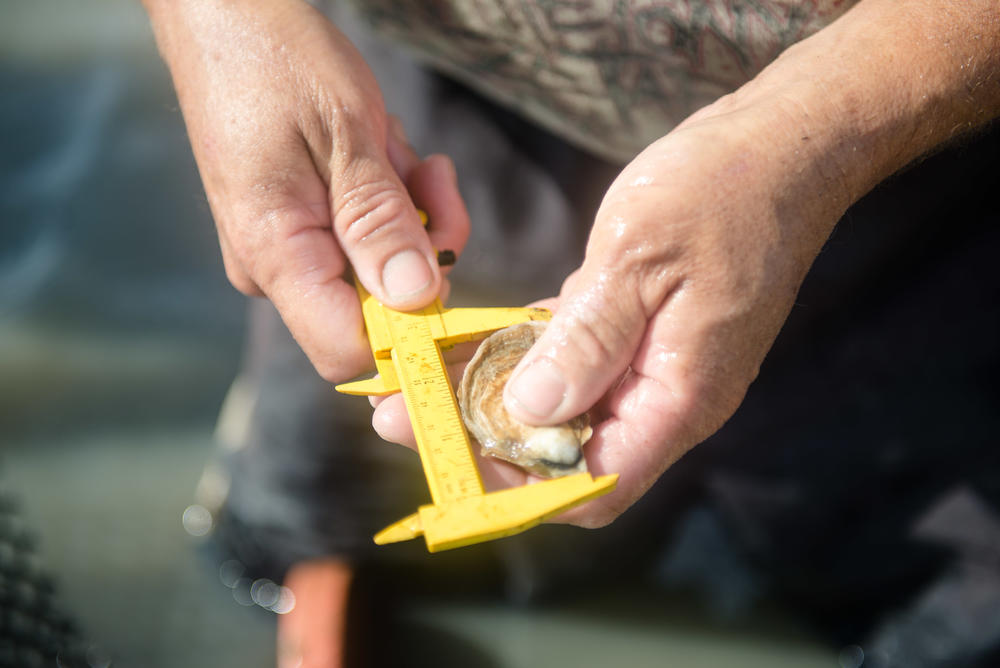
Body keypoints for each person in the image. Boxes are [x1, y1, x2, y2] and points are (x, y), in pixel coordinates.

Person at [142, 0, 1000, 666]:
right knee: (309, 548)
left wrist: (816, 142)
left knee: (957, 621)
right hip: (420, 128)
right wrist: (220, 29)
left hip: (918, 165)